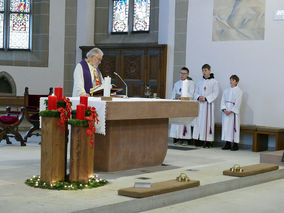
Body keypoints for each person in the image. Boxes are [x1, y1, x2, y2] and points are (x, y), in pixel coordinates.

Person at [193, 64, 219, 148]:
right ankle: (199, 139)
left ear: (209, 70)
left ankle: (208, 141)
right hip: (200, 105)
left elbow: (215, 93)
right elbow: (195, 92)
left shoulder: (214, 82)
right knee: (199, 122)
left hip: (208, 105)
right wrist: (198, 97)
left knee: (207, 122)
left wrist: (206, 98)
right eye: (203, 70)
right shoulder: (199, 81)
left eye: (206, 70)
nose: (204, 72)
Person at [169, 67, 195, 145]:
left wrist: (183, 97)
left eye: (184, 73)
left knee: (185, 123)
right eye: (181, 73)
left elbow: (192, 94)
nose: (182, 75)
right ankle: (178, 138)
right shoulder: (177, 83)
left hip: (186, 106)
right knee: (178, 123)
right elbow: (173, 94)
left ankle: (185, 139)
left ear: (187, 74)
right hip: (178, 105)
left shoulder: (191, 83)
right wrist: (175, 98)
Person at [221, 75, 243, 151]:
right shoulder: (226, 90)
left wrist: (231, 110)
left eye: (233, 80)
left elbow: (238, 102)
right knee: (226, 127)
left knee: (234, 128)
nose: (231, 81)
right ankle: (227, 143)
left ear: (236, 81)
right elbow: (223, 100)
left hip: (233, 112)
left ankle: (235, 144)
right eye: (230, 79)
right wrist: (224, 109)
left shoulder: (239, 91)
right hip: (226, 111)